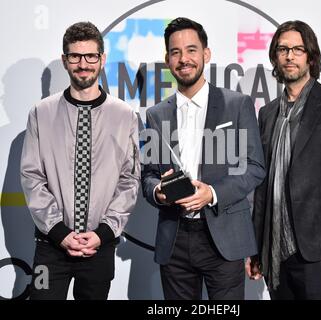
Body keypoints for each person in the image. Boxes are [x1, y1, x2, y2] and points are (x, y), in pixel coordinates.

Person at [141, 17, 265, 300]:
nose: (184, 59)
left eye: (191, 50)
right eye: (175, 52)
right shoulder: (156, 115)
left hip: (223, 236)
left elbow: (255, 167)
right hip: (174, 239)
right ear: (167, 59)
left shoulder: (237, 104)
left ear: (206, 54)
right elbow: (147, 175)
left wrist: (212, 193)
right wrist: (159, 193)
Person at [246, 20, 321, 300]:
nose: (290, 56)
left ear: (311, 56)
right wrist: (256, 247)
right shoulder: (267, 113)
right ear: (275, 57)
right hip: (274, 251)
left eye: (298, 49)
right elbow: (262, 187)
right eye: (283, 49)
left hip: (319, 254)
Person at [20, 21, 140, 300]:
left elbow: (129, 179)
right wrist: (59, 232)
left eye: (90, 56)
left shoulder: (125, 116)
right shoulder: (41, 113)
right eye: (75, 56)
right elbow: (31, 177)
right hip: (49, 246)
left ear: (102, 59)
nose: (83, 64)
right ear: (65, 60)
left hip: (99, 247)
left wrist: (103, 232)